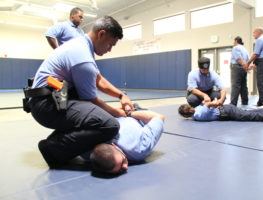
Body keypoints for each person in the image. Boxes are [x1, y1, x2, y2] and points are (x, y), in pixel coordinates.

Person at [28, 16, 135, 168]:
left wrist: (121, 95)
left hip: (54, 99)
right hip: (47, 106)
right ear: (101, 34)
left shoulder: (81, 45)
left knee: (95, 116)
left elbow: (98, 79)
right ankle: (53, 150)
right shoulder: (82, 56)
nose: (110, 49)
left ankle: (55, 142)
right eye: (111, 44)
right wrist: (118, 113)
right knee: (109, 125)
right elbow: (91, 100)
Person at [88, 110, 165, 174]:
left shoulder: (139, 148)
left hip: (135, 113)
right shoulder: (84, 149)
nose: (125, 167)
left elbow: (158, 117)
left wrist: (129, 113)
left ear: (114, 146)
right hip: (114, 115)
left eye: (122, 162)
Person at [178, 98, 263, 123]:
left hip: (228, 112)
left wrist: (212, 103)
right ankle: (262, 112)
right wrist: (212, 102)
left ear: (185, 116)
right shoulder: (198, 112)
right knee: (250, 114)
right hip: (227, 110)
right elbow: (207, 104)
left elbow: (207, 104)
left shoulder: (196, 116)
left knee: (253, 117)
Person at [246, 27, 263, 108]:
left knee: (262, 83)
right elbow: (261, 56)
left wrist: (248, 63)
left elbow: (256, 54)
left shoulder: (260, 40)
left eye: (254, 33)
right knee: (261, 83)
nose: (253, 35)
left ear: (258, 32)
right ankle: (261, 102)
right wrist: (254, 65)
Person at [230, 36, 250, 106]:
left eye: (233, 42)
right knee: (244, 86)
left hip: (237, 68)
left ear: (235, 41)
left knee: (235, 86)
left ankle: (233, 104)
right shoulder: (245, 49)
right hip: (243, 69)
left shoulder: (235, 48)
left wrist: (243, 65)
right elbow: (248, 60)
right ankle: (245, 102)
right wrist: (246, 67)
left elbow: (238, 59)